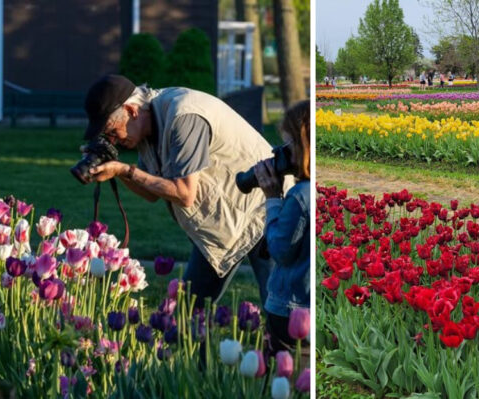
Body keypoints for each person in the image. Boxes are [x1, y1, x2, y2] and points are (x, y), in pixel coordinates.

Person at [84, 74, 289, 309]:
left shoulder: (183, 116)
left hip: (264, 209)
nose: (114, 141)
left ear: (131, 111)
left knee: (281, 311)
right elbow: (151, 192)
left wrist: (126, 170)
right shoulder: (146, 128)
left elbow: (184, 194)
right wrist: (116, 170)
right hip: (222, 224)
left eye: (112, 132)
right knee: (188, 313)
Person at [253, 100, 310, 356]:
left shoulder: (300, 196)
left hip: (288, 308)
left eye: (288, 146)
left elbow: (280, 250)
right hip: (310, 306)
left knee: (284, 375)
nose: (282, 154)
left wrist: (273, 198)